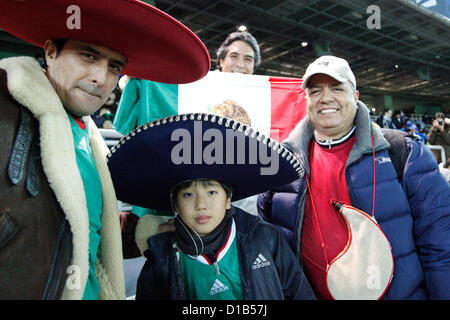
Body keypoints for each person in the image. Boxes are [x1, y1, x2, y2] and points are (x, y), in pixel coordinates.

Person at [0, 0, 209, 300]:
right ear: (50, 51)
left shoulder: (87, 133)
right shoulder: (6, 111)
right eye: (88, 56)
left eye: (114, 67)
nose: (101, 78)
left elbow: (84, 233)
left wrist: (149, 232)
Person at [258, 55, 450, 299]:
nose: (326, 98)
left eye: (337, 88)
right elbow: (269, 245)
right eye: (315, 91)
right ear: (305, 99)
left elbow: (442, 247)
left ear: (356, 97)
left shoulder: (404, 153)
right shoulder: (281, 164)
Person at [107, 113, 316, 300]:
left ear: (228, 199)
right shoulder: (162, 261)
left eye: (212, 192)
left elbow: (299, 292)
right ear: (175, 205)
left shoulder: (264, 238)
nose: (201, 205)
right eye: (188, 195)